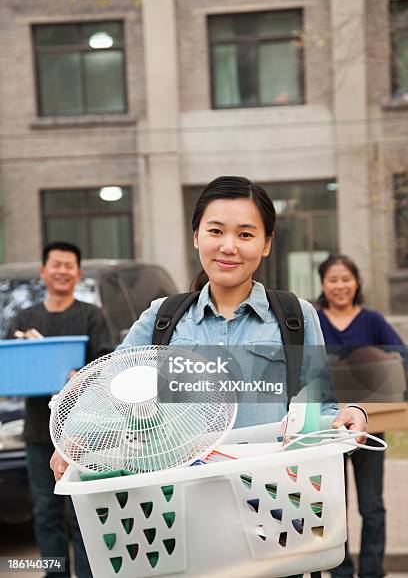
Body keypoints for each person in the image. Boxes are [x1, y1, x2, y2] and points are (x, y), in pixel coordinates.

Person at [50, 177, 367, 577]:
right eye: (216, 231)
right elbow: (110, 390)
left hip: (272, 521)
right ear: (197, 236)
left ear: (266, 243)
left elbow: (320, 410)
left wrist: (351, 417)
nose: (229, 246)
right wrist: (75, 437)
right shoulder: (162, 319)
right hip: (176, 527)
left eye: (246, 234)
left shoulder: (295, 317)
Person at [8, 241, 112, 578]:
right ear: (43, 272)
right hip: (39, 432)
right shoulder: (25, 318)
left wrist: (81, 376)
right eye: (56, 264)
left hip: (86, 434)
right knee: (47, 512)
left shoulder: (91, 315)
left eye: (69, 265)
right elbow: (11, 367)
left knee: (83, 511)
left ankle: (87, 574)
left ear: (78, 273)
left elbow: (107, 366)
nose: (62, 271)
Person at [317, 254, 406, 578]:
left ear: (356, 283)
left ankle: (371, 571)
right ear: (323, 284)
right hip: (327, 428)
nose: (340, 286)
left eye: (346, 279)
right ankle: (340, 572)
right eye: (333, 280)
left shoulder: (372, 321)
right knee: (332, 505)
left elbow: (401, 359)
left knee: (371, 506)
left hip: (370, 426)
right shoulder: (314, 320)